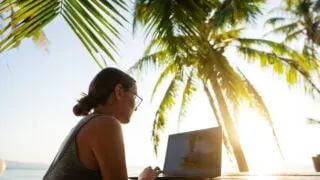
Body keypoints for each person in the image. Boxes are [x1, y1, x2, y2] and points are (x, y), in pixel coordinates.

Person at [43, 67, 161, 180]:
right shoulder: (106, 124)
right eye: (135, 96)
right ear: (119, 92)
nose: (135, 107)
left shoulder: (86, 124)